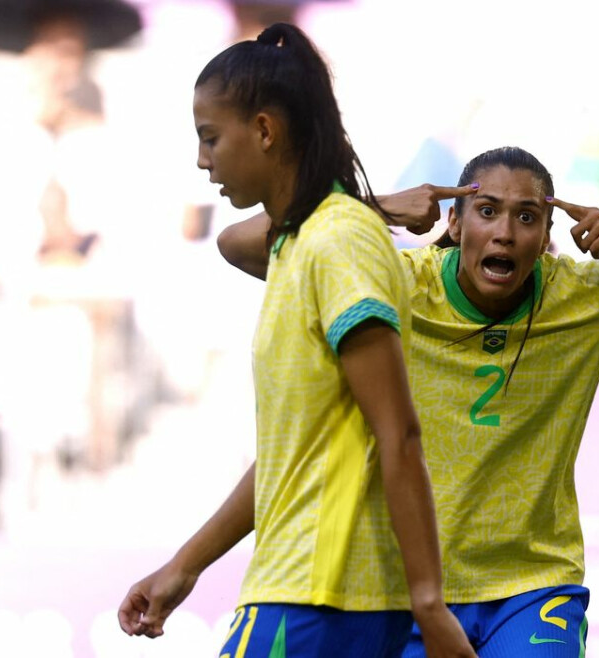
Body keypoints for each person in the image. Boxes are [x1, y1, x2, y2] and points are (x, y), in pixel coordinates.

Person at [217, 145, 599, 656]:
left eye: (525, 218)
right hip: (407, 590)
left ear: (546, 237)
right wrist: (374, 209)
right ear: (454, 223)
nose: (503, 233)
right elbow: (238, 243)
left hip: (531, 589)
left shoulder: (590, 293)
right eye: (487, 211)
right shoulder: (394, 281)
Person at [116, 23, 475, 658]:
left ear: (264, 130)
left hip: (325, 595)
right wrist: (185, 567)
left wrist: (429, 603)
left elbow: (399, 433)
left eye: (210, 137)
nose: (203, 160)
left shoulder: (340, 241)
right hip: (304, 589)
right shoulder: (301, 243)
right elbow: (294, 454)